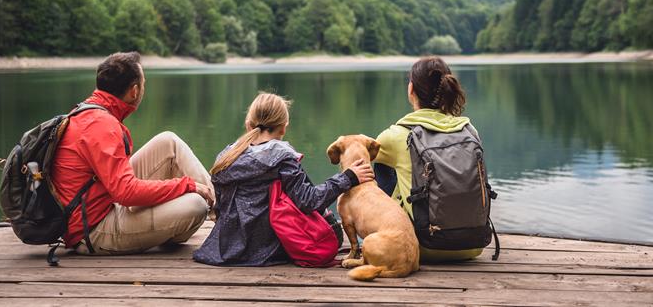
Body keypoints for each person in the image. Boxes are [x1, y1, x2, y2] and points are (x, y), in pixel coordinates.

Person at [53, 51, 215, 255]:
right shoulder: (102, 125)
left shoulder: (88, 111)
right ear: (135, 91)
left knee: (169, 142)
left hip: (103, 202)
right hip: (93, 231)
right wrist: (186, 185)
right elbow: (126, 193)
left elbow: (119, 188)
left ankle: (223, 212)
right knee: (195, 205)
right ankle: (220, 212)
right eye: (144, 84)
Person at [193, 92, 374, 266]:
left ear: (249, 125)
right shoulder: (282, 157)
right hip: (268, 249)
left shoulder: (226, 156)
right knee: (329, 226)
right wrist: (347, 177)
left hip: (224, 247)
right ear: (284, 127)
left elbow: (220, 207)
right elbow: (309, 201)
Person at [373, 56, 484, 262]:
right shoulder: (470, 130)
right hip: (474, 244)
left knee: (381, 165)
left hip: (420, 246)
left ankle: (378, 236)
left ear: (411, 89)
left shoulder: (395, 135)